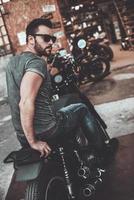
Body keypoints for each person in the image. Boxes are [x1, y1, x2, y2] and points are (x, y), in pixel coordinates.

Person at [6, 18, 111, 159]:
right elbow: (25, 102)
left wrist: (46, 72)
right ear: (31, 39)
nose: (51, 42)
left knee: (60, 106)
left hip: (22, 134)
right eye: (46, 38)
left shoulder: (13, 62)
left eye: (52, 38)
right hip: (45, 131)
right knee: (81, 108)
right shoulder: (37, 64)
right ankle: (103, 152)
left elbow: (23, 85)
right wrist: (34, 142)